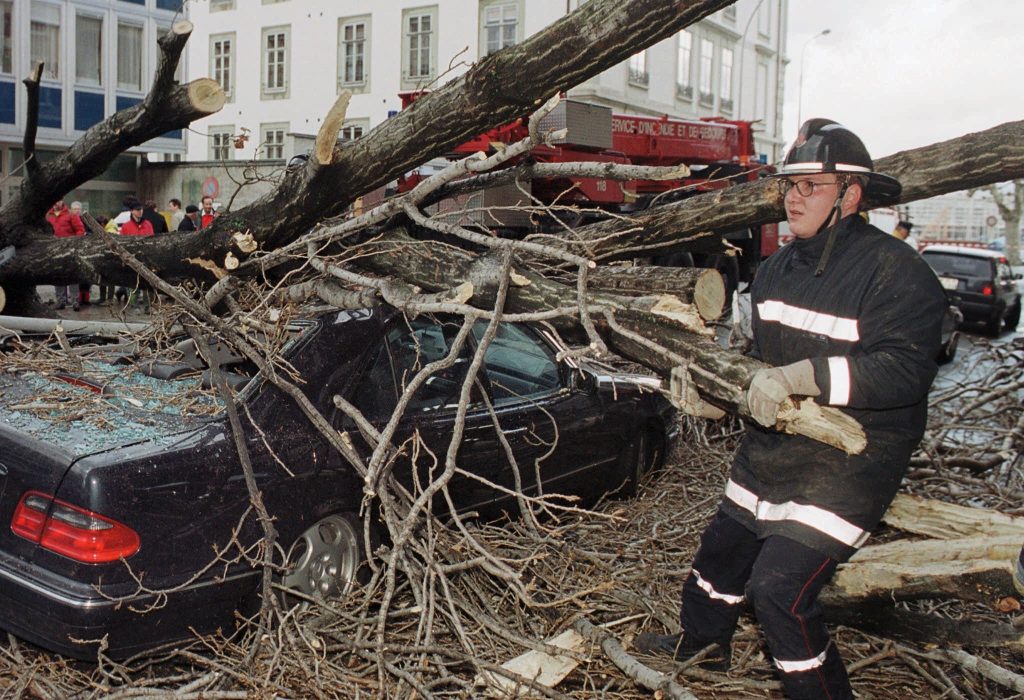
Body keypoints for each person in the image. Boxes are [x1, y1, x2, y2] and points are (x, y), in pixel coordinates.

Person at [636, 119, 947, 700]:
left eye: (812, 185)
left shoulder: (898, 272)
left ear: (851, 195)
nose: (794, 197)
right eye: (790, 185)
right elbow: (758, 363)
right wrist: (714, 396)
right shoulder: (778, 270)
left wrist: (803, 377)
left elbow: (905, 371)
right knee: (720, 558)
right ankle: (701, 650)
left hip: (853, 459)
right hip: (774, 447)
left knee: (779, 590)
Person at [46, 200, 85, 310]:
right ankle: (61, 301)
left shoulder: (70, 214)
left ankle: (75, 301)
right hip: (55, 250)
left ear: (62, 201)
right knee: (58, 276)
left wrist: (74, 243)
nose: (56, 203)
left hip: (70, 250)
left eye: (58, 200)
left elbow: (80, 230)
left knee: (72, 276)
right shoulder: (48, 215)